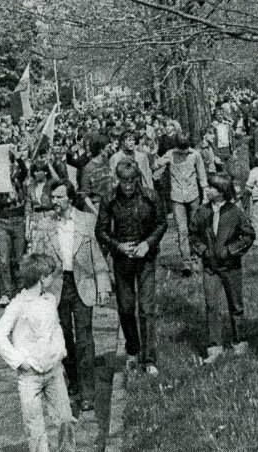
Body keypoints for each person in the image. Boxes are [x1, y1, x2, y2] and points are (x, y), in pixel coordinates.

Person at [29, 179, 111, 409]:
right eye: (52, 197)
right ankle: (73, 380)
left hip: (82, 282)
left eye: (59, 197)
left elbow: (96, 255)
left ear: (70, 198)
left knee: (84, 337)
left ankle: (88, 392)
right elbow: (39, 259)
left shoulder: (86, 221)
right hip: (57, 286)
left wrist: (103, 284)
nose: (54, 202)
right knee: (63, 337)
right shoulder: (46, 224)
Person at [0, 253, 75, 452]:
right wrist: (20, 361)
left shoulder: (50, 299)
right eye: (51, 275)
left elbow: (55, 330)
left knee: (65, 419)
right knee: (35, 427)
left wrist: (59, 353)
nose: (54, 279)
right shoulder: (18, 305)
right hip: (30, 377)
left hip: (54, 372)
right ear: (42, 278)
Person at [95, 159, 167, 374]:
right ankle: (133, 349)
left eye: (131, 181)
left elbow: (162, 223)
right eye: (123, 181)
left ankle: (149, 358)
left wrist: (147, 243)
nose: (127, 186)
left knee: (146, 309)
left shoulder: (151, 197)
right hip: (122, 259)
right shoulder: (109, 199)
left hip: (145, 257)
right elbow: (101, 230)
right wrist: (118, 246)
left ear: (137, 180)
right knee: (126, 308)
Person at [189, 173, 256, 364]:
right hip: (211, 268)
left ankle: (239, 340)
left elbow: (248, 235)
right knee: (212, 305)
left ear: (221, 192)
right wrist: (203, 251)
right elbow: (193, 235)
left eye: (212, 188)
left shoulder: (235, 212)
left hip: (230, 267)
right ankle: (214, 345)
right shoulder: (202, 212)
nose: (207, 190)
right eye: (208, 186)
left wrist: (230, 251)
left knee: (235, 304)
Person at [155, 133, 207, 273]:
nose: (183, 153)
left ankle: (197, 258)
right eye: (180, 150)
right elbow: (155, 165)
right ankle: (186, 263)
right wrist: (152, 154)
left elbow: (201, 174)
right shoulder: (170, 154)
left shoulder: (195, 155)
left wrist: (205, 192)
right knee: (182, 230)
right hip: (177, 197)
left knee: (195, 228)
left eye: (185, 150)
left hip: (193, 195)